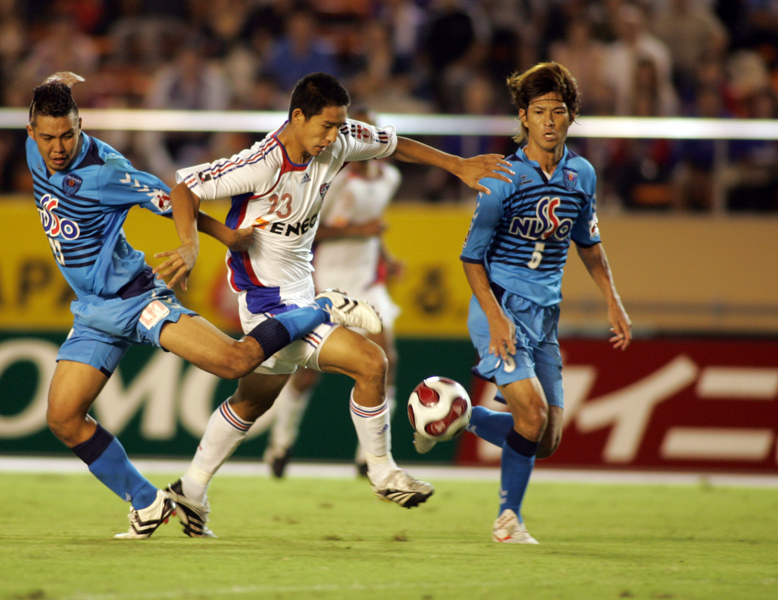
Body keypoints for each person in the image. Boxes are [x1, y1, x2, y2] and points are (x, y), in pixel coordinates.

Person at [153, 71, 514, 537]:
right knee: (371, 361)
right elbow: (181, 189)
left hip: (295, 290)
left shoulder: (340, 140)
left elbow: (395, 144)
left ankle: (192, 487)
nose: (334, 135)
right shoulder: (262, 163)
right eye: (326, 125)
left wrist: (458, 165)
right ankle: (382, 472)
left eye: (340, 125)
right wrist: (198, 242)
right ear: (297, 116)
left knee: (250, 403)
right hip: (265, 301)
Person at [25, 72, 383, 540]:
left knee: (235, 363)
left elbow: (172, 198)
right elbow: (43, 107)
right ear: (31, 130)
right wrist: (55, 82)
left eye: (68, 134)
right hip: (93, 309)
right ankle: (148, 502)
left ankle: (324, 306)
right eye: (48, 136)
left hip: (136, 299)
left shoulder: (107, 170)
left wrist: (222, 237)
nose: (57, 147)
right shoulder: (35, 146)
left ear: (80, 124)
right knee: (64, 418)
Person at [416, 62, 632, 544]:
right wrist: (494, 317)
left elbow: (589, 246)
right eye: (539, 112)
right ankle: (507, 521)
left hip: (544, 316)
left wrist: (613, 303)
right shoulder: (503, 177)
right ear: (524, 117)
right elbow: (471, 260)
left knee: (547, 438)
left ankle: (458, 415)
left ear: (571, 117)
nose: (550, 121)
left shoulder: (582, 175)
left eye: (558, 111)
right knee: (530, 416)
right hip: (500, 304)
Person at [263, 107, 404, 478]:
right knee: (308, 372)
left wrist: (387, 256)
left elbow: (374, 228)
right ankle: (281, 443)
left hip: (368, 282)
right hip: (328, 282)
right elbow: (314, 232)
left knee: (386, 360)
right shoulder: (332, 178)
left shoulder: (390, 177)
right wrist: (360, 232)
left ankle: (370, 457)